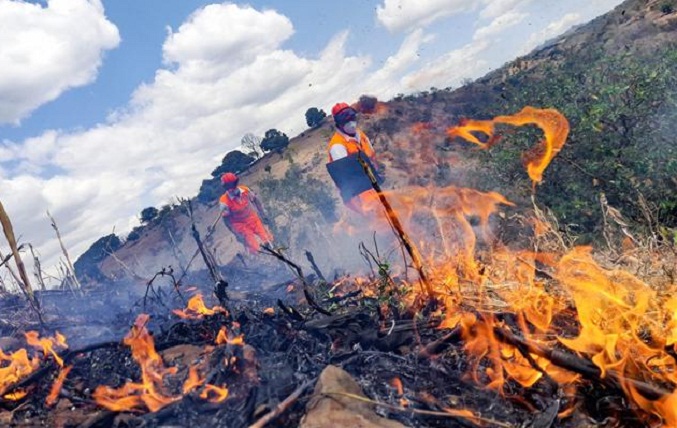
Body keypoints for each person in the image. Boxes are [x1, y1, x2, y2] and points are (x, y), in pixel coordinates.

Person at [326, 102, 381, 213]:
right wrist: (362, 210)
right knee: (380, 225)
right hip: (361, 198)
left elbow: (372, 158)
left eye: (351, 118)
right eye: (345, 120)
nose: (350, 123)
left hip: (374, 186)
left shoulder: (360, 135)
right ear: (339, 123)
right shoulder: (337, 146)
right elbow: (348, 181)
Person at [219, 172, 273, 254]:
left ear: (236, 182)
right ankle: (262, 258)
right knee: (254, 246)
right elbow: (226, 220)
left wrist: (263, 214)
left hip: (252, 218)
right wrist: (236, 234)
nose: (231, 188)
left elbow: (255, 200)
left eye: (232, 184)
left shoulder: (245, 190)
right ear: (225, 187)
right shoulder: (224, 202)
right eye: (228, 186)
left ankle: (276, 253)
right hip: (239, 224)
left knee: (267, 238)